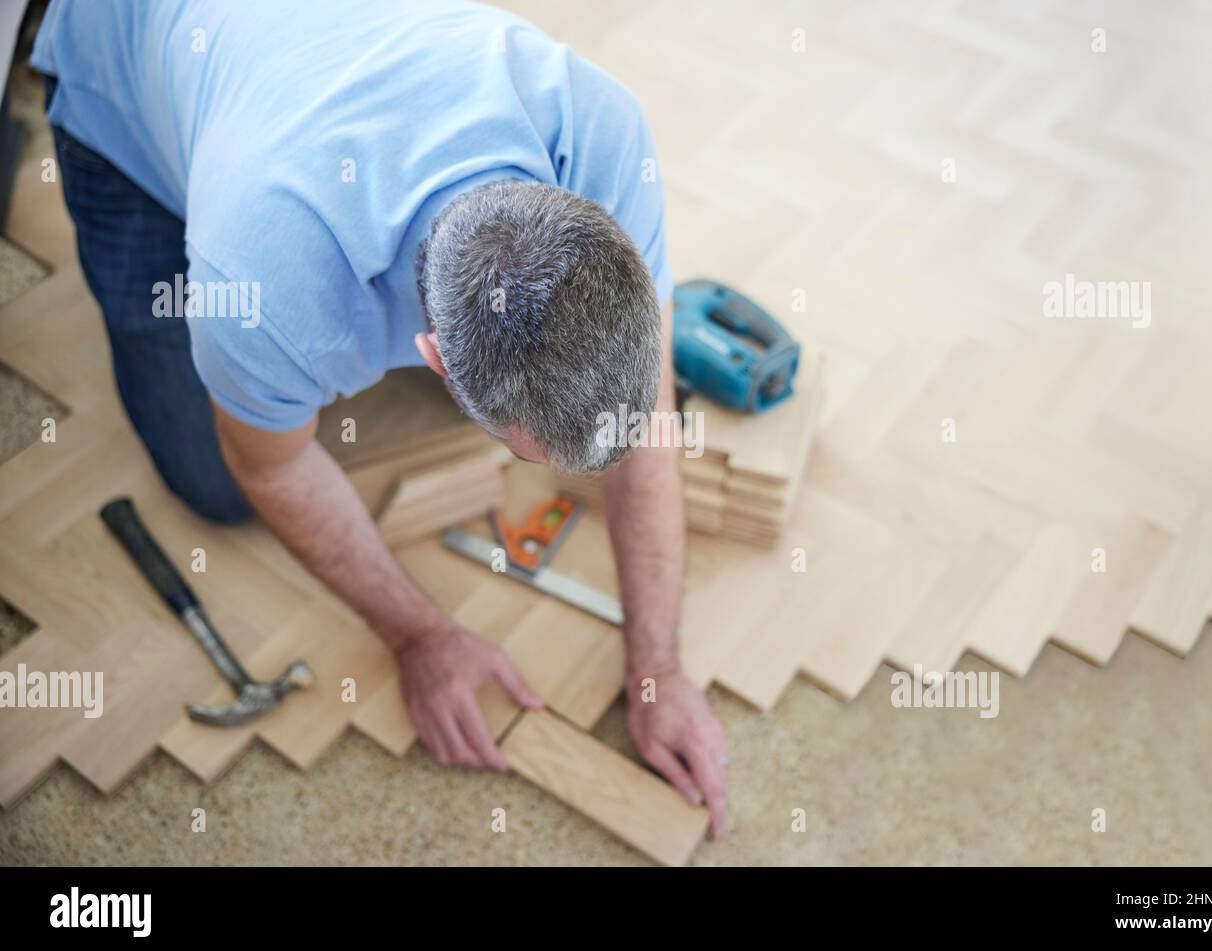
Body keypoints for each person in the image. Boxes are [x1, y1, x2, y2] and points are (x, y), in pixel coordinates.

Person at [33, 0, 726, 834]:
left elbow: (644, 419)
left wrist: (658, 667)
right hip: (126, 79)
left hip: (317, 69)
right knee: (218, 478)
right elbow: (273, 466)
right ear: (434, 358)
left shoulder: (601, 131)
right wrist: (419, 636)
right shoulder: (255, 277)